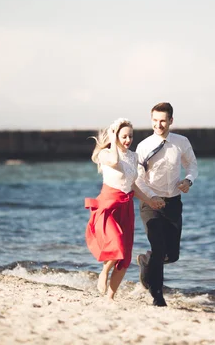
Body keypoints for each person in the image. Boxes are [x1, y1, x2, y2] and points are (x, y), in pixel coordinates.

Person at [84, 118, 165, 300]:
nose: (128, 140)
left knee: (125, 258)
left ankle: (110, 297)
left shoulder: (133, 156)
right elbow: (114, 161)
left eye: (130, 136)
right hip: (108, 205)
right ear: (115, 135)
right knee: (117, 243)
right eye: (124, 136)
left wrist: (150, 200)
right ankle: (104, 270)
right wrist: (113, 140)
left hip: (126, 207)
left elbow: (132, 185)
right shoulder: (106, 154)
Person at [135, 102, 198, 307]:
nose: (158, 125)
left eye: (162, 121)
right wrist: (152, 197)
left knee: (172, 255)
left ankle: (146, 261)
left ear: (171, 120)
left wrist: (188, 180)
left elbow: (192, 165)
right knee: (159, 247)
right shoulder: (144, 146)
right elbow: (138, 178)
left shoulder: (181, 142)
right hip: (150, 203)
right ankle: (157, 296)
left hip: (173, 203)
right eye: (155, 121)